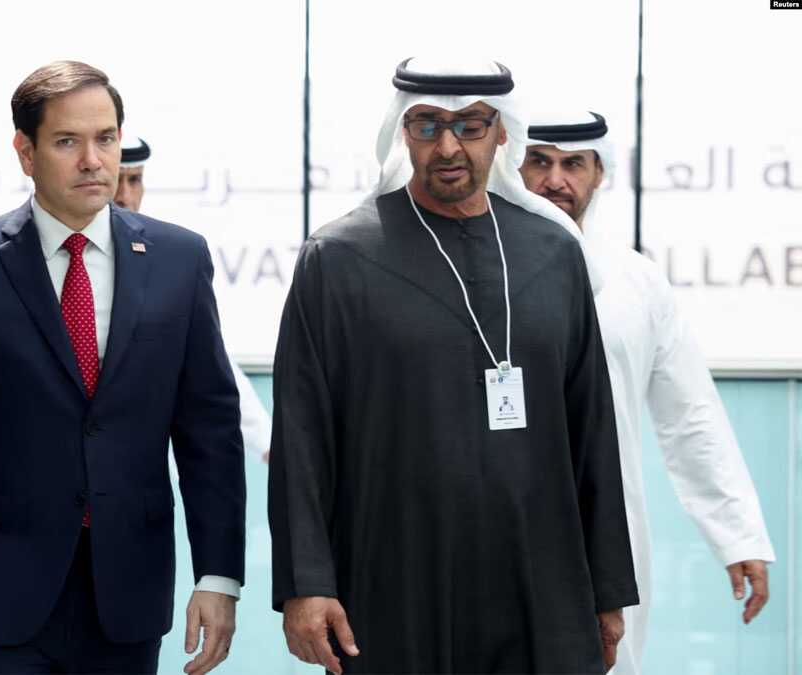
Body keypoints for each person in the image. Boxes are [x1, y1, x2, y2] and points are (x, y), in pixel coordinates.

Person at [268, 56, 639, 674]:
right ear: (400, 132)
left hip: (541, 584)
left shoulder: (553, 254)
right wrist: (307, 584)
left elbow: (593, 433)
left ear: (501, 133)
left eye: (469, 125)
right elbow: (303, 438)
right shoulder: (338, 259)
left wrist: (607, 590)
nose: (447, 146)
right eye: (426, 125)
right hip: (394, 581)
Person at [0, 61, 246, 675]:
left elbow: (208, 430)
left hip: (127, 594)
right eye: (66, 141)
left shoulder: (179, 261)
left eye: (105, 138)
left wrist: (219, 575)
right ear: (25, 152)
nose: (93, 160)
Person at [520, 109, 776, 675]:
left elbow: (691, 416)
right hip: (496, 524)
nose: (554, 179)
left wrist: (738, 537)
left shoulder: (637, 282)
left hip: (606, 534)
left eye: (572, 164)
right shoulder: (472, 270)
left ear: (599, 174)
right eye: (538, 161)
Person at [115, 132, 273, 461]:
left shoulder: (166, 262)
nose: (124, 197)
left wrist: (268, 441)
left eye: (135, 180)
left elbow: (210, 360)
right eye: (116, 180)